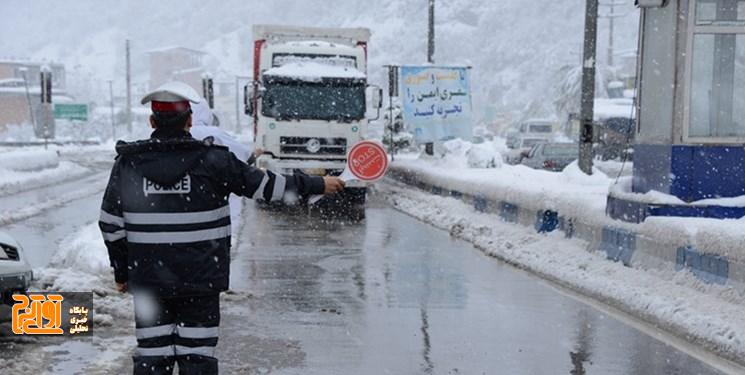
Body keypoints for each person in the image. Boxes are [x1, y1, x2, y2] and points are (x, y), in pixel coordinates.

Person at [98, 81, 344, 374]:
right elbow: (265, 186)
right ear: (190, 120)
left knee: (153, 357)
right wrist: (316, 183)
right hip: (200, 283)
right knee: (197, 358)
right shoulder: (215, 161)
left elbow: (111, 224)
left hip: (150, 284)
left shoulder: (128, 165)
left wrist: (124, 272)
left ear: (152, 121)